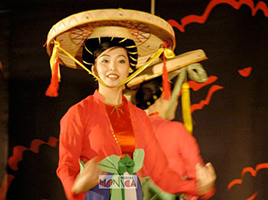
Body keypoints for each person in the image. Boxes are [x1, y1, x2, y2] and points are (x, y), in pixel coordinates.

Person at [45, 9, 215, 200]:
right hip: (96, 194)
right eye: (105, 60)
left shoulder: (139, 117)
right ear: (93, 68)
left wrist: (199, 187)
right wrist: (77, 186)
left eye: (121, 61)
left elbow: (160, 172)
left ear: (129, 69)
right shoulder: (77, 113)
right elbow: (66, 166)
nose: (112, 68)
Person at [135, 76, 216, 200]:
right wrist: (206, 187)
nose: (176, 103)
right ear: (164, 98)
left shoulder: (130, 131)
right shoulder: (176, 130)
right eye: (175, 98)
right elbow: (199, 180)